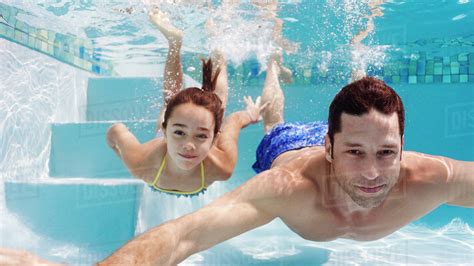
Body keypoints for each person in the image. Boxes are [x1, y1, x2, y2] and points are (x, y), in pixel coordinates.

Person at [96, 75, 474, 265]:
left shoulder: (430, 178)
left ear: (403, 148)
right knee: (274, 122)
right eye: (355, 153)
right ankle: (274, 69)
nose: (373, 173)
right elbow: (184, 237)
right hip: (290, 145)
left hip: (334, 135)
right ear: (329, 147)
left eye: (387, 152)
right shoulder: (287, 187)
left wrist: (362, 147)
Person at [106, 9, 267, 196]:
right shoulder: (140, 163)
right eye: (179, 132)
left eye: (201, 136)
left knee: (174, 98)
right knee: (215, 102)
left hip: (163, 148)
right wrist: (250, 116)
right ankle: (217, 43)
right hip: (161, 145)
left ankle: (176, 43)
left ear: (215, 138)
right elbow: (115, 131)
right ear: (165, 130)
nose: (188, 145)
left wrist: (250, 116)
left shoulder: (140, 165)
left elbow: (233, 124)